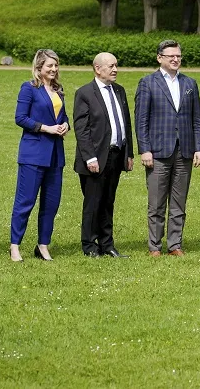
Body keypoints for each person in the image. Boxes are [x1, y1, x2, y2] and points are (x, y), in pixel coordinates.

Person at [134, 39, 200, 256]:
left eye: (178, 56)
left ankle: (175, 245)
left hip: (184, 151)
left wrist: (199, 148)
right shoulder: (148, 83)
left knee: (179, 201)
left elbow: (197, 119)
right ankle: (154, 246)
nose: (175, 59)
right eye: (171, 56)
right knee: (156, 202)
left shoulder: (190, 84)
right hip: (157, 151)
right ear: (159, 58)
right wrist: (145, 149)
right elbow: (141, 120)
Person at [10, 49, 70, 262]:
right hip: (33, 155)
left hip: (55, 156)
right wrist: (46, 128)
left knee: (51, 204)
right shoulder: (29, 88)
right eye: (49, 66)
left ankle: (43, 245)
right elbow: (20, 118)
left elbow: (63, 117)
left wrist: (65, 125)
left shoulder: (58, 90)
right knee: (25, 202)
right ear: (39, 67)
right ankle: (15, 246)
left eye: (56, 65)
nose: (54, 69)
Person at [73, 52, 134, 258]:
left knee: (108, 202)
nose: (115, 69)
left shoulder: (119, 91)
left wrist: (129, 153)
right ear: (98, 69)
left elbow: (126, 124)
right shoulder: (85, 93)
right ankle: (90, 245)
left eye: (116, 65)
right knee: (93, 203)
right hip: (95, 158)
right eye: (111, 66)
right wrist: (90, 157)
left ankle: (107, 244)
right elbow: (82, 129)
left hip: (116, 155)